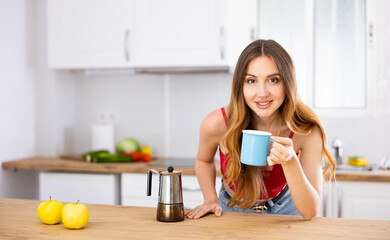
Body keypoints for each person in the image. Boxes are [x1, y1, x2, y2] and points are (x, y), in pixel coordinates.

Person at [185, 39, 336, 221]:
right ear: (240, 85)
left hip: (286, 209)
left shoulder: (306, 130)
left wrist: (290, 161)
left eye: (273, 80)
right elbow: (204, 160)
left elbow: (310, 211)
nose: (262, 92)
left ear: (288, 83)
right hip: (231, 209)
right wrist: (210, 198)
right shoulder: (217, 124)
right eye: (251, 80)